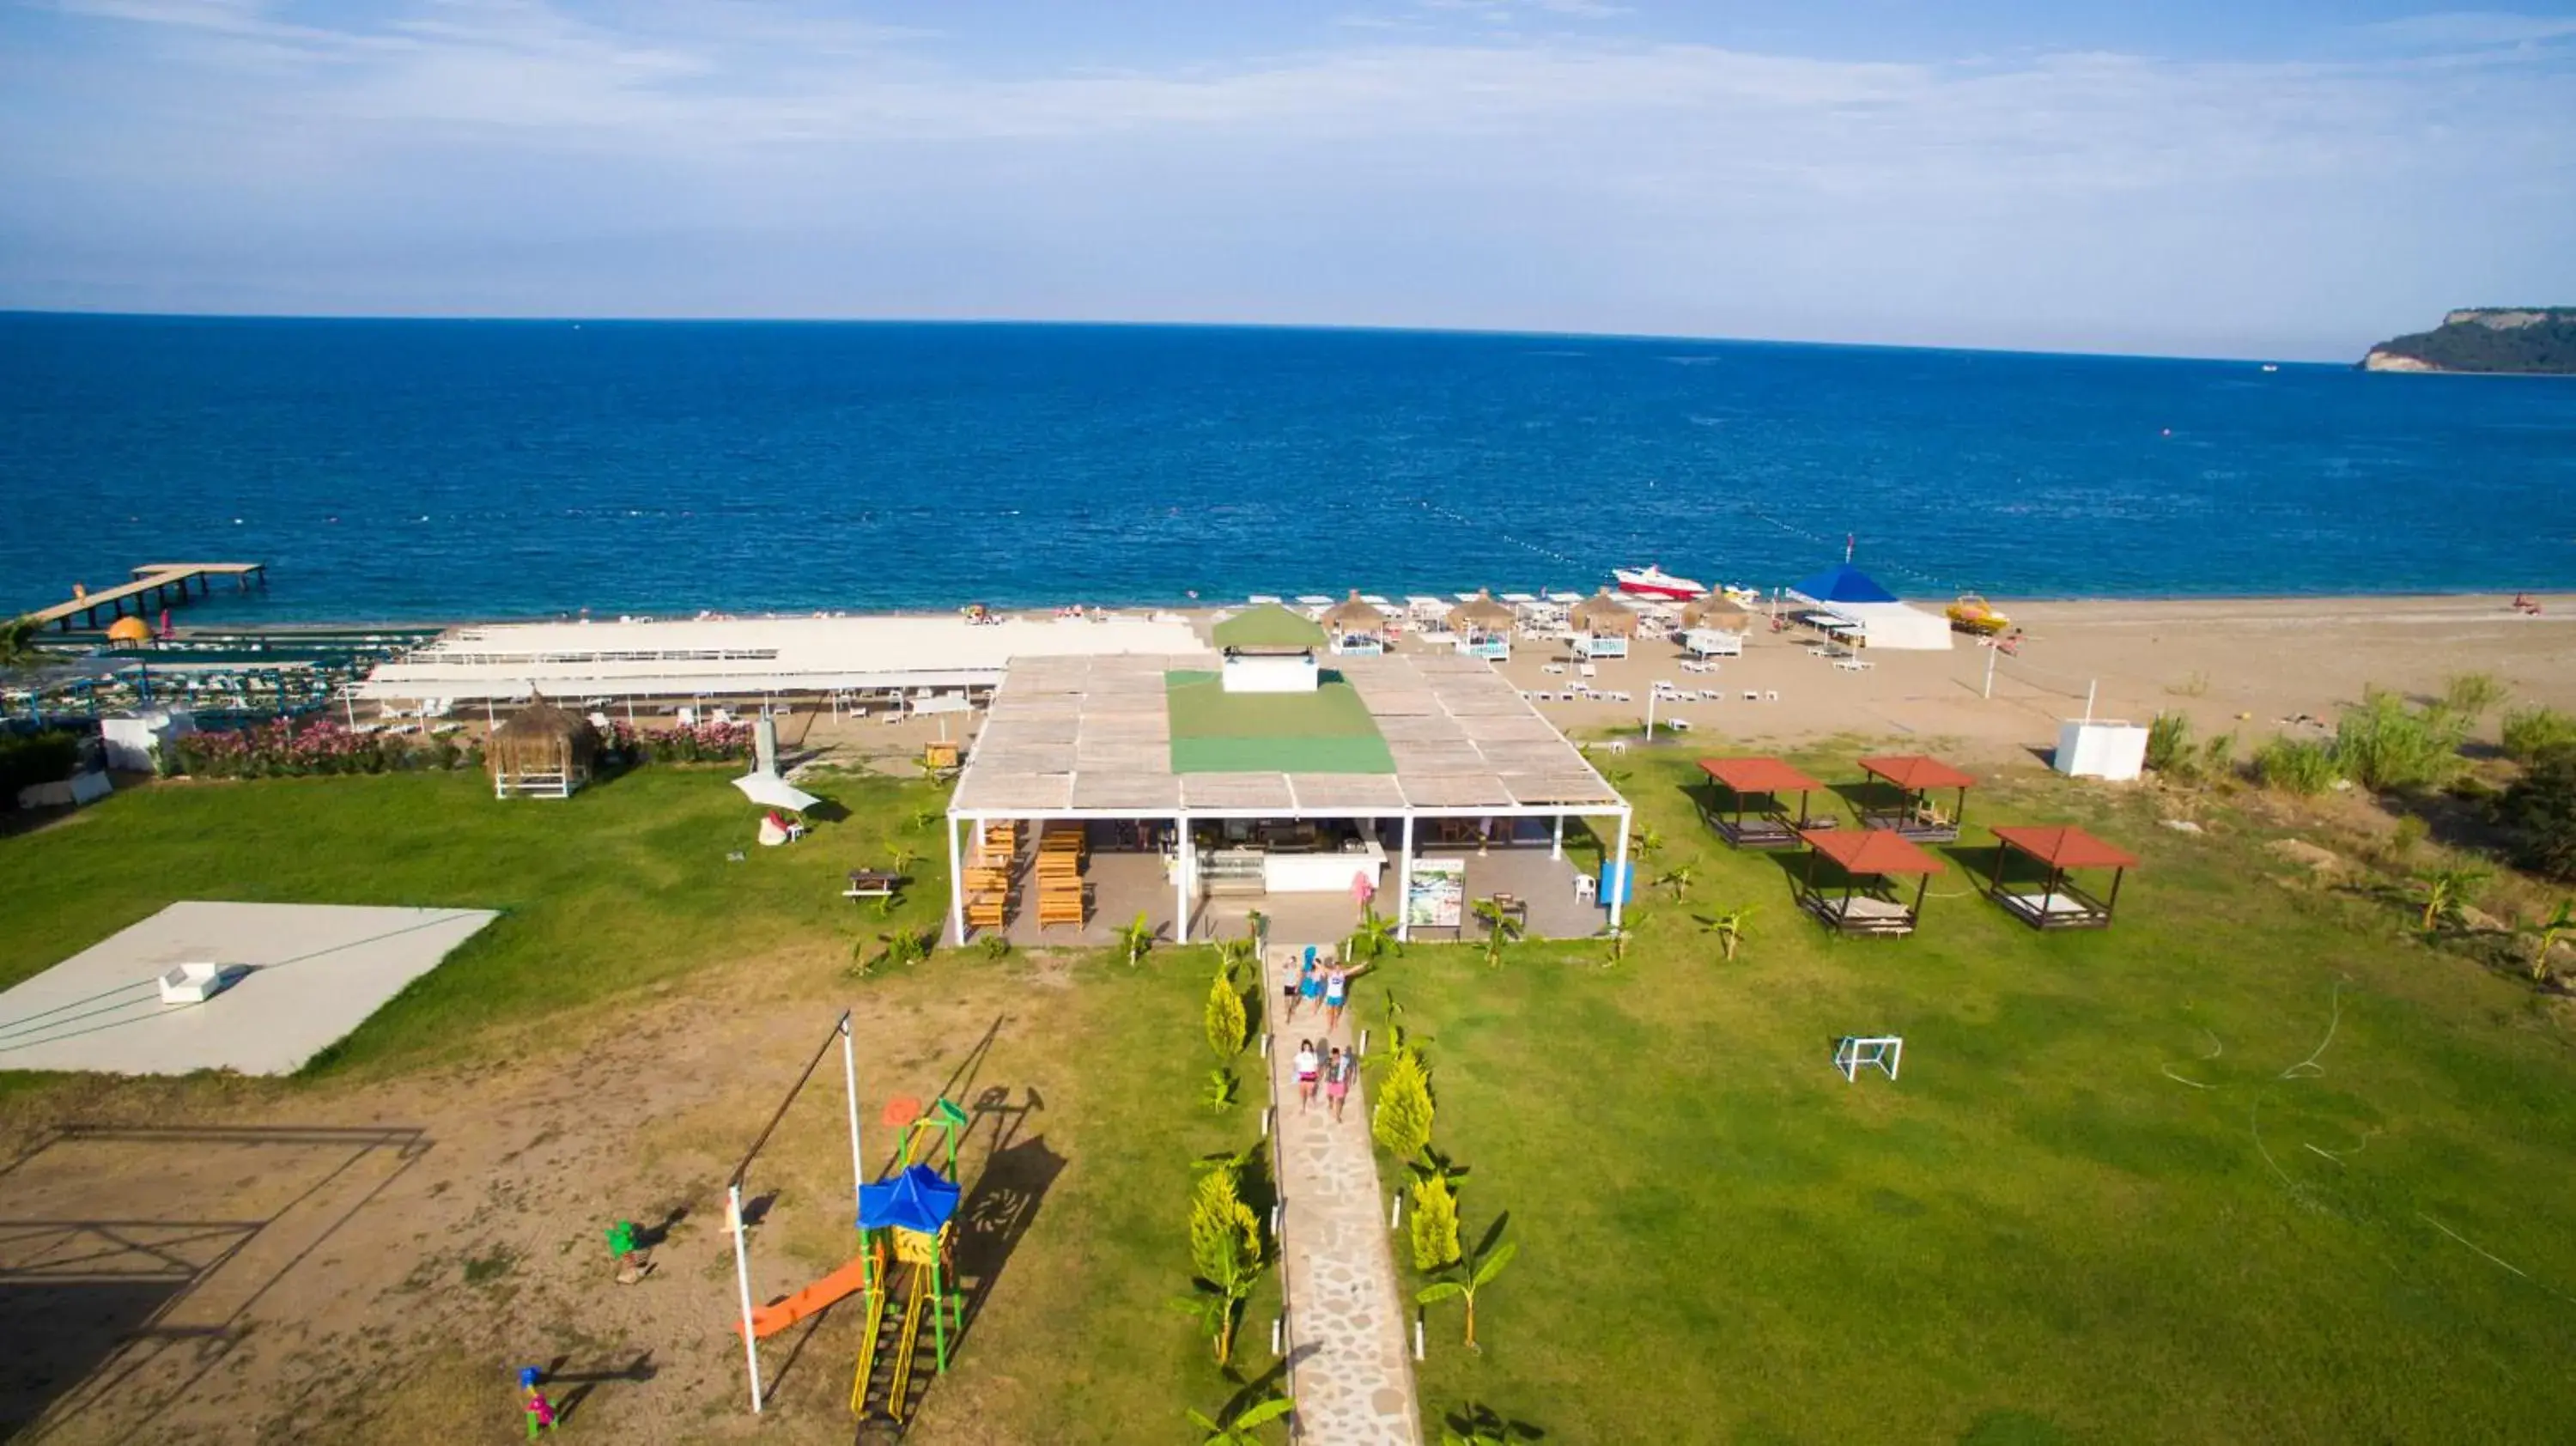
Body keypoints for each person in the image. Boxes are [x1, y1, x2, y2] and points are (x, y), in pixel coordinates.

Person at [1325, 1046, 1356, 1122]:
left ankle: (1337, 1116)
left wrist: (1349, 1080)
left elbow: (1348, 1070)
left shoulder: (1344, 1060)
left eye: (1337, 1055)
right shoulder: (1328, 1061)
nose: (1335, 1057)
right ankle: (1330, 1102)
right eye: (1334, 1055)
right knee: (1329, 1095)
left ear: (1339, 1054)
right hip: (1331, 1082)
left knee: (1339, 1100)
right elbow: (1326, 1069)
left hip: (1340, 1083)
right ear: (1332, 1055)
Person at [1295, 950, 1325, 1022]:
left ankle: (1315, 1010)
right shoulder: (1310, 969)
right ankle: (1296, 1005)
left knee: (1316, 998)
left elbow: (1323, 976)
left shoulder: (1320, 971)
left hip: (1316, 984)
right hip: (1310, 983)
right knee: (1300, 993)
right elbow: (1302, 974)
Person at [1293, 1038, 1321, 1112]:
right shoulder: (1299, 1055)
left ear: (1310, 1047)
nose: (1307, 1048)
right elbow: (1296, 1066)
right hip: (1302, 1077)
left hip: (1311, 1076)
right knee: (1303, 1094)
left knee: (1310, 1092)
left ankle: (1313, 1102)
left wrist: (1317, 1075)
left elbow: (1316, 1066)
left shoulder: (1313, 1055)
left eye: (1308, 1046)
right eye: (1305, 1047)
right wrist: (1296, 1077)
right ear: (1303, 1047)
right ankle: (1303, 1107)